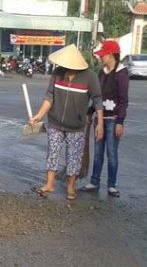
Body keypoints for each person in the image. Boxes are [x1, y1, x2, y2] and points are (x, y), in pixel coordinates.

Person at [29, 44, 104, 200]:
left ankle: (71, 187)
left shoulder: (90, 77)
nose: (66, 68)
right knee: (52, 153)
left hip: (76, 126)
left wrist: (100, 123)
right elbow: (50, 96)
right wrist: (39, 115)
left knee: (73, 157)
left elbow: (97, 100)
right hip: (55, 122)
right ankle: (49, 184)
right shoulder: (57, 73)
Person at [80, 41, 129, 197]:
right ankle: (94, 181)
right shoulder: (101, 74)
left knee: (112, 153)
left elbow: (123, 100)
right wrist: (90, 112)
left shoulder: (121, 74)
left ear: (111, 55)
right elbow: (97, 96)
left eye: (103, 55)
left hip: (113, 120)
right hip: (100, 119)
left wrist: (120, 123)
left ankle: (112, 185)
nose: (101, 58)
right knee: (98, 153)